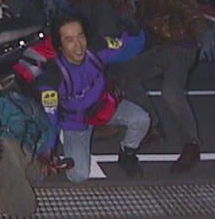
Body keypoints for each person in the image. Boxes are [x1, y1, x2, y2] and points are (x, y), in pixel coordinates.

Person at [113, 0, 215, 173]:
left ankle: (191, 146)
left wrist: (203, 33)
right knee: (126, 75)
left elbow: (188, 9)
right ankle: (153, 128)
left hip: (181, 47)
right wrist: (126, 9)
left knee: (171, 92)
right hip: (159, 45)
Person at [36, 15, 150, 181]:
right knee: (78, 175)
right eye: (69, 40)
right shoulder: (52, 78)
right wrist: (47, 150)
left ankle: (127, 154)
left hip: (103, 107)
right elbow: (50, 118)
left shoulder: (97, 48)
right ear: (59, 46)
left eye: (80, 36)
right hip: (76, 122)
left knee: (142, 119)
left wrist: (136, 31)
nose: (78, 45)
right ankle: (74, 135)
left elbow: (129, 50)